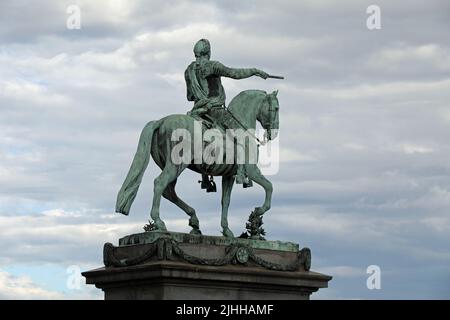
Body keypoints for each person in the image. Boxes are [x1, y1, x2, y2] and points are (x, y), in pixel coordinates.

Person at [184, 39, 269, 191]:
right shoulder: (212, 66)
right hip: (215, 110)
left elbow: (190, 96)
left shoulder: (189, 70)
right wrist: (255, 71)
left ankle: (205, 180)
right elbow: (234, 73)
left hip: (197, 112)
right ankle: (242, 174)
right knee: (243, 135)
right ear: (208, 53)